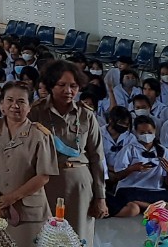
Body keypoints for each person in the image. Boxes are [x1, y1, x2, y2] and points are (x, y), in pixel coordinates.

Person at [28, 60, 107, 244]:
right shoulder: (36, 112)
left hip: (80, 187)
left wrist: (100, 197)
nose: (68, 91)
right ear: (50, 85)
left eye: (73, 86)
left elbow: (97, 158)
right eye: (61, 85)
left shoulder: (86, 115)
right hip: (46, 185)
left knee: (78, 236)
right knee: (46, 237)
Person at [0, 82, 59, 247]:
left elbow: (43, 176)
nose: (15, 106)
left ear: (29, 107)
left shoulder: (40, 135)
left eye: (21, 101)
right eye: (9, 100)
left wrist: (11, 198)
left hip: (28, 211)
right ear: (2, 104)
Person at [107, 116, 168, 218]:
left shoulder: (163, 151)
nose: (146, 135)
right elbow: (117, 176)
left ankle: (147, 207)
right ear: (136, 132)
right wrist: (132, 169)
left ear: (155, 131)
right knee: (126, 196)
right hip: (132, 188)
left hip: (155, 190)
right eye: (142, 133)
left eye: (149, 132)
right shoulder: (129, 149)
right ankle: (157, 209)